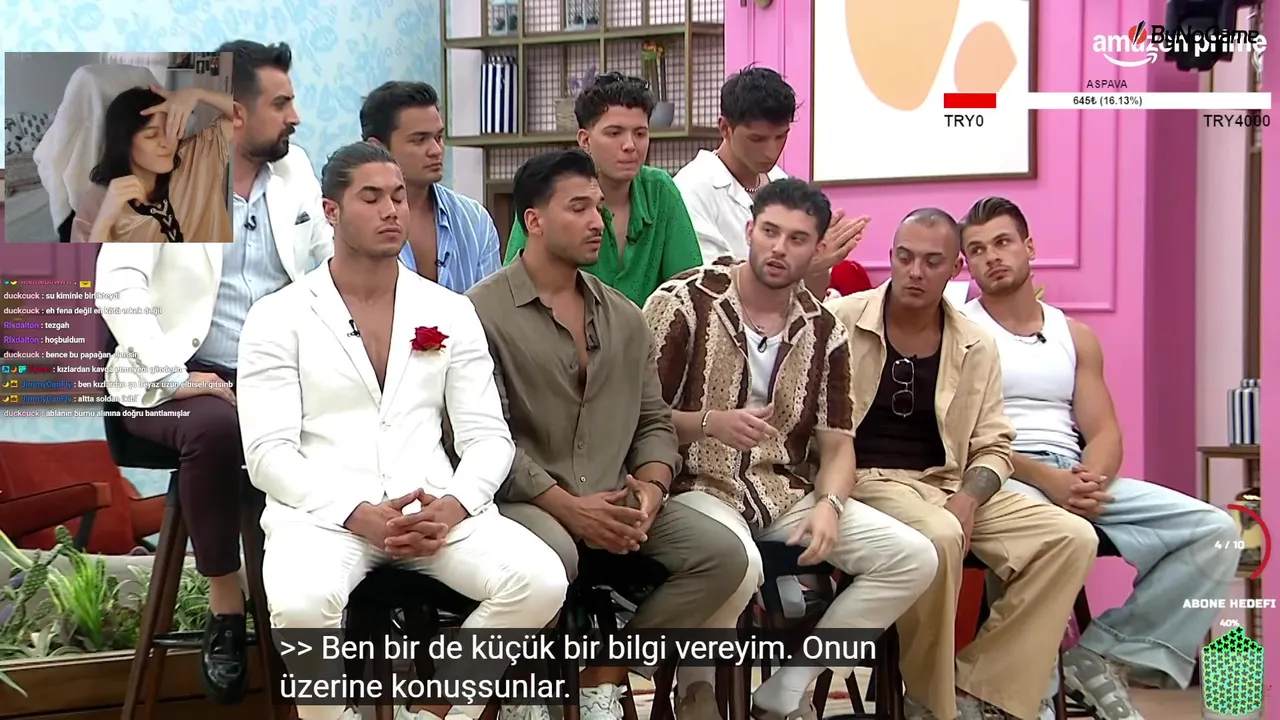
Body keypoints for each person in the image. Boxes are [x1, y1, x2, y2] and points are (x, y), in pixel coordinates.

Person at [237, 141, 567, 720]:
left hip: (431, 509)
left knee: (541, 581)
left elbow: (489, 437)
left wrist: (455, 506)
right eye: (371, 198)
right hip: (323, 516)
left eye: (397, 197)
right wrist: (354, 512)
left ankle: (442, 709)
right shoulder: (277, 316)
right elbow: (268, 454)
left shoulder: (450, 310)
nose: (392, 210)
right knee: (301, 606)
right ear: (331, 211)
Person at [468, 149, 751, 720]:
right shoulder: (478, 312)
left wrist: (651, 489)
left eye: (598, 207)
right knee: (552, 554)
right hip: (525, 500)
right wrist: (570, 508)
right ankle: (525, 689)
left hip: (614, 494)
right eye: (578, 208)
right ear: (534, 220)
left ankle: (605, 672)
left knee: (723, 557)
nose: (598, 221)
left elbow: (653, 421)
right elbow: (481, 434)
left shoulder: (623, 316)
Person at [643, 178, 936, 720]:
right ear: (749, 231)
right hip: (695, 485)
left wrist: (830, 505)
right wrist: (708, 423)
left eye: (797, 239)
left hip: (780, 491)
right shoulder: (683, 301)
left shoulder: (825, 329)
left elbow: (838, 445)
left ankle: (786, 688)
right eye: (770, 232)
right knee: (736, 562)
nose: (779, 248)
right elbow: (638, 418)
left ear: (818, 248)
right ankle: (697, 687)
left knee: (913, 557)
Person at [94, 39, 333, 705]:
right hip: (173, 373)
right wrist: (175, 374)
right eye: (281, 103)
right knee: (216, 428)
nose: (296, 117)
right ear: (236, 111)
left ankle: (323, 606)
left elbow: (327, 263)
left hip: (272, 372)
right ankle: (227, 610)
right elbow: (118, 288)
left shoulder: (295, 172)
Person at [959, 196, 1242, 720]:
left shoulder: (1073, 335)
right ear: (967, 265)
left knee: (1216, 530)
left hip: (1074, 472)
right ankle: (1027, 697)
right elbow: (964, 437)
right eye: (977, 250)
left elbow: (1105, 429)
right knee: (1054, 533)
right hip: (1002, 470)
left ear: (1029, 247)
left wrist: (1088, 480)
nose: (991, 256)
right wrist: (1049, 481)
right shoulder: (960, 329)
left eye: (1002, 242)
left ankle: (1105, 654)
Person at [825, 208, 1100, 720]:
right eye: (905, 258)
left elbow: (994, 444)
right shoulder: (841, 320)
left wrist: (969, 499)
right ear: (891, 258)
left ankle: (976, 688)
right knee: (941, 534)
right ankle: (931, 702)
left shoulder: (976, 342)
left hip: (948, 481)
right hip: (866, 479)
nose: (915, 272)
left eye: (932, 262)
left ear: (955, 269)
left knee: (1070, 538)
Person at [501, 73, 702, 307]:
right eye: (614, 133)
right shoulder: (549, 190)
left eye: (640, 133)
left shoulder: (660, 191)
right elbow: (513, 291)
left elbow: (690, 292)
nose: (630, 146)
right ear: (585, 140)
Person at [671, 66, 866, 295]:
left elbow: (812, 296)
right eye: (757, 139)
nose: (770, 151)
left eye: (781, 136)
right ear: (725, 128)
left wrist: (817, 264)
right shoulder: (691, 190)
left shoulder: (781, 182)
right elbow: (710, 291)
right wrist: (803, 264)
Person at [359, 80, 501, 292]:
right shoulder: (354, 223)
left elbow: (490, 306)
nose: (436, 150)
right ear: (377, 147)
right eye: (420, 140)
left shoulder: (474, 220)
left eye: (439, 137)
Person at [72, 83, 235, 243]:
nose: (167, 142)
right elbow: (85, 260)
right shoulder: (98, 201)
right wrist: (105, 221)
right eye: (151, 135)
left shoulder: (196, 158)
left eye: (171, 130)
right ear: (124, 143)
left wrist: (198, 93)